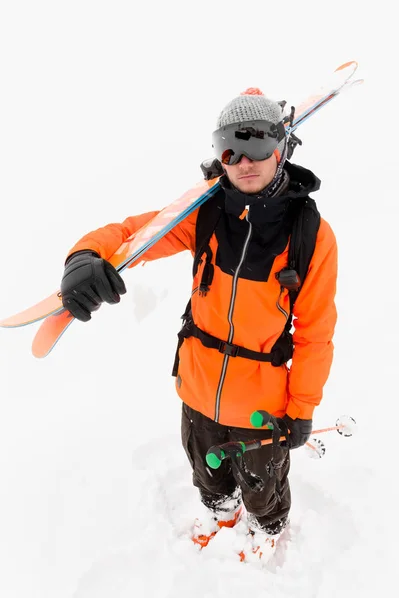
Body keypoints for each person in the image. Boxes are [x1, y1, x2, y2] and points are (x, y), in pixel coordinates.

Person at [60, 88, 337, 562]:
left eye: (256, 146)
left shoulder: (310, 235)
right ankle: (219, 511)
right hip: (198, 388)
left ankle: (266, 526)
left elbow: (315, 332)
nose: (243, 161)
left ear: (281, 147)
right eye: (230, 148)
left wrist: (302, 407)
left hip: (262, 406)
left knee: (263, 484)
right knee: (206, 471)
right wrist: (86, 255)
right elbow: (135, 234)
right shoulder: (203, 213)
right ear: (218, 155)